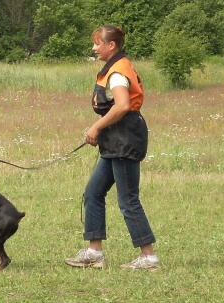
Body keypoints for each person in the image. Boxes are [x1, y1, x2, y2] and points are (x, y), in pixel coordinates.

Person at [64, 26, 160, 270]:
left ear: (112, 45)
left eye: (98, 43)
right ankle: (94, 253)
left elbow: (122, 106)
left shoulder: (117, 73)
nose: (94, 48)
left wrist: (96, 127)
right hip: (116, 139)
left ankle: (149, 258)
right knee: (93, 193)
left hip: (124, 139)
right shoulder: (117, 67)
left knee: (128, 200)